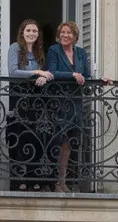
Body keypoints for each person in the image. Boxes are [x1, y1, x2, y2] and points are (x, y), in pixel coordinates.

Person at [45, 21, 111, 192]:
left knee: (69, 143)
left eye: (69, 33)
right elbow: (51, 72)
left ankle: (61, 181)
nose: (65, 35)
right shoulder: (54, 50)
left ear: (75, 36)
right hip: (58, 101)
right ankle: (50, 181)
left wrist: (100, 79)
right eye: (62, 32)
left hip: (75, 102)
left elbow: (86, 76)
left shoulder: (80, 53)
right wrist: (72, 74)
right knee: (56, 142)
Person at [6, 19, 53, 191]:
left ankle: (31, 179)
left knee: (34, 138)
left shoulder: (40, 51)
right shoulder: (15, 48)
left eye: (34, 31)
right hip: (19, 98)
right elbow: (13, 72)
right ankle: (17, 181)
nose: (31, 33)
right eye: (28, 30)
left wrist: (43, 77)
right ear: (22, 32)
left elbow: (46, 73)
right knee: (18, 137)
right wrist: (37, 72)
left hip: (36, 99)